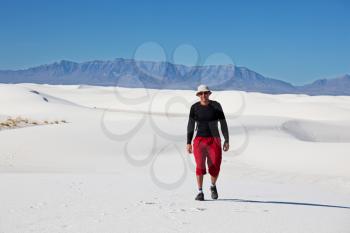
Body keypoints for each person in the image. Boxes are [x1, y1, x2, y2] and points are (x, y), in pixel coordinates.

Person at [186, 84, 229, 201]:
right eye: (201, 93)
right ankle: (200, 192)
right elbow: (191, 125)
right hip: (199, 140)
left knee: (215, 165)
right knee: (200, 166)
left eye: (206, 93)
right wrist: (188, 142)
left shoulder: (216, 106)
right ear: (198, 95)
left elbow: (223, 123)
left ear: (209, 94)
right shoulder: (194, 107)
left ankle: (213, 186)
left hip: (214, 139)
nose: (203, 95)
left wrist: (226, 140)